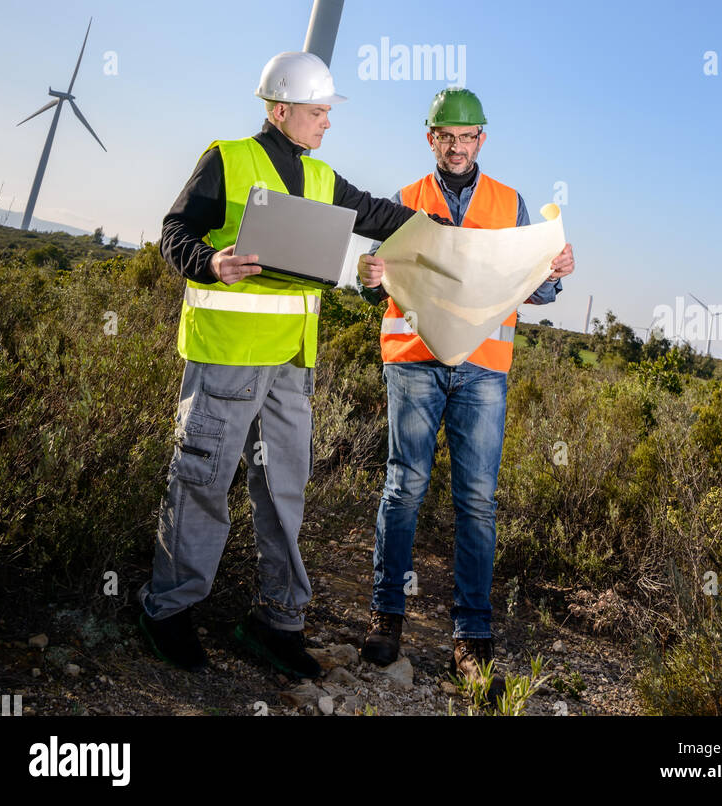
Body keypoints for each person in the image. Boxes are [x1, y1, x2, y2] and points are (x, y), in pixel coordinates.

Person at [138, 51, 420, 677]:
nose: (327, 123)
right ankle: (167, 610)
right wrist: (209, 262)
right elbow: (174, 229)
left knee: (284, 488)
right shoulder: (227, 158)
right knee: (202, 481)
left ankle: (276, 620)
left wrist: (448, 228)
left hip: (292, 367)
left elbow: (378, 212)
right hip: (227, 358)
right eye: (319, 112)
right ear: (281, 110)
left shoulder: (322, 178)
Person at [356, 87, 575, 695]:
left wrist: (553, 273)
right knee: (404, 488)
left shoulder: (510, 203)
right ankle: (386, 619)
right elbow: (374, 282)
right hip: (413, 361)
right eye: (445, 137)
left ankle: (471, 640)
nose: (456, 147)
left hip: (483, 369)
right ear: (431, 139)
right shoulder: (403, 201)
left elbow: (531, 285)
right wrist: (368, 276)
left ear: (482, 139)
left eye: (467, 137)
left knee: (477, 502)